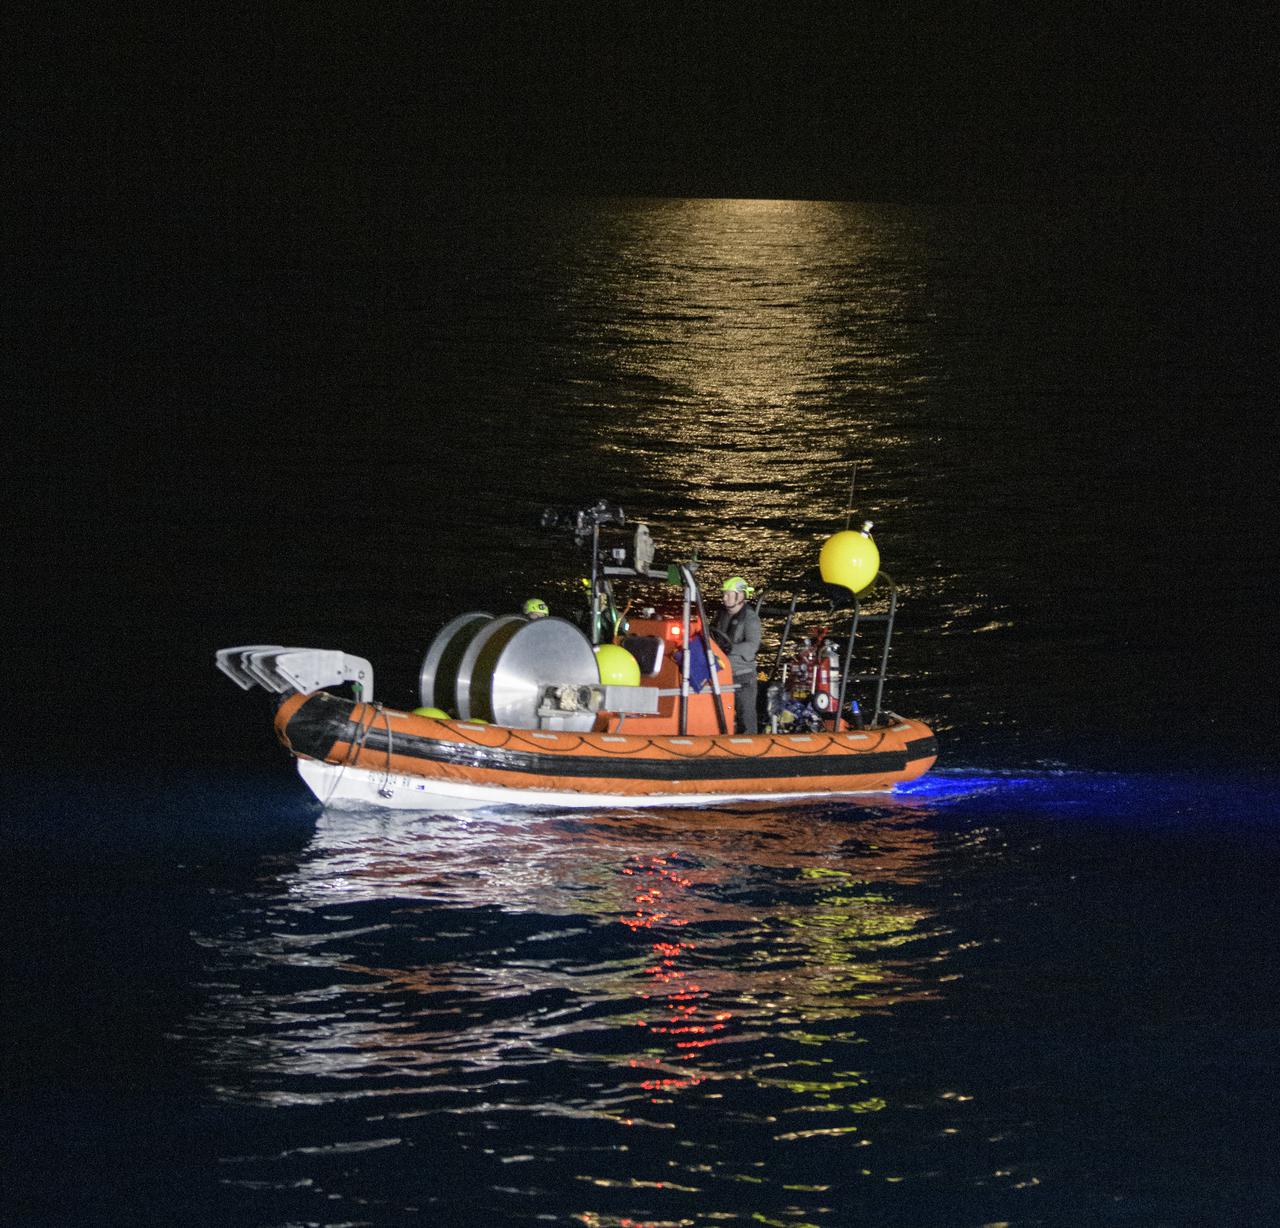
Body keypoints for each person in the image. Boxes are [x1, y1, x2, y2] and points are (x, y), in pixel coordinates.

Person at [712, 576, 762, 734]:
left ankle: (750, 745)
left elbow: (752, 646)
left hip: (742, 676)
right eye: (724, 594)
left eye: (728, 594)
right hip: (723, 673)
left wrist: (729, 649)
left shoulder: (750, 619)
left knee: (746, 716)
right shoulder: (722, 616)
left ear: (740, 596)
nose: (724, 598)